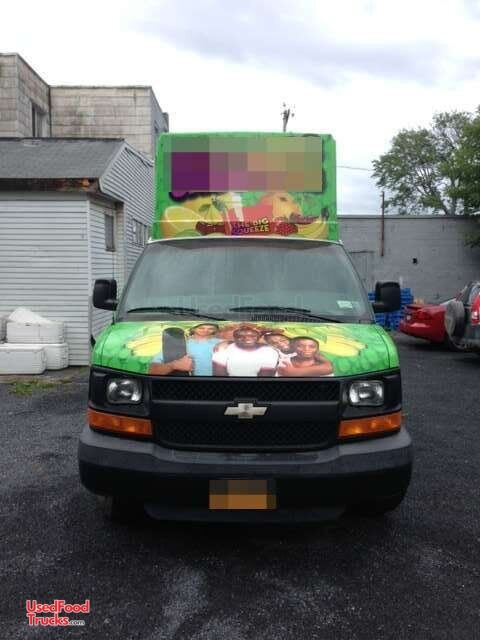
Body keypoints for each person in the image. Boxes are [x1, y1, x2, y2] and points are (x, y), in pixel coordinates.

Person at [149, 323, 221, 376]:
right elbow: (153, 371)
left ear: (215, 330)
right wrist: (174, 365)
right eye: (201, 328)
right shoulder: (177, 344)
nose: (206, 330)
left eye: (210, 328)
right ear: (193, 328)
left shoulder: (222, 343)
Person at [212, 327, 278, 377]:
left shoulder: (269, 351)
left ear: (258, 338)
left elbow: (265, 376)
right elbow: (220, 375)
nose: (246, 338)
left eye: (252, 336)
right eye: (240, 336)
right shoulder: (222, 349)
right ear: (235, 338)